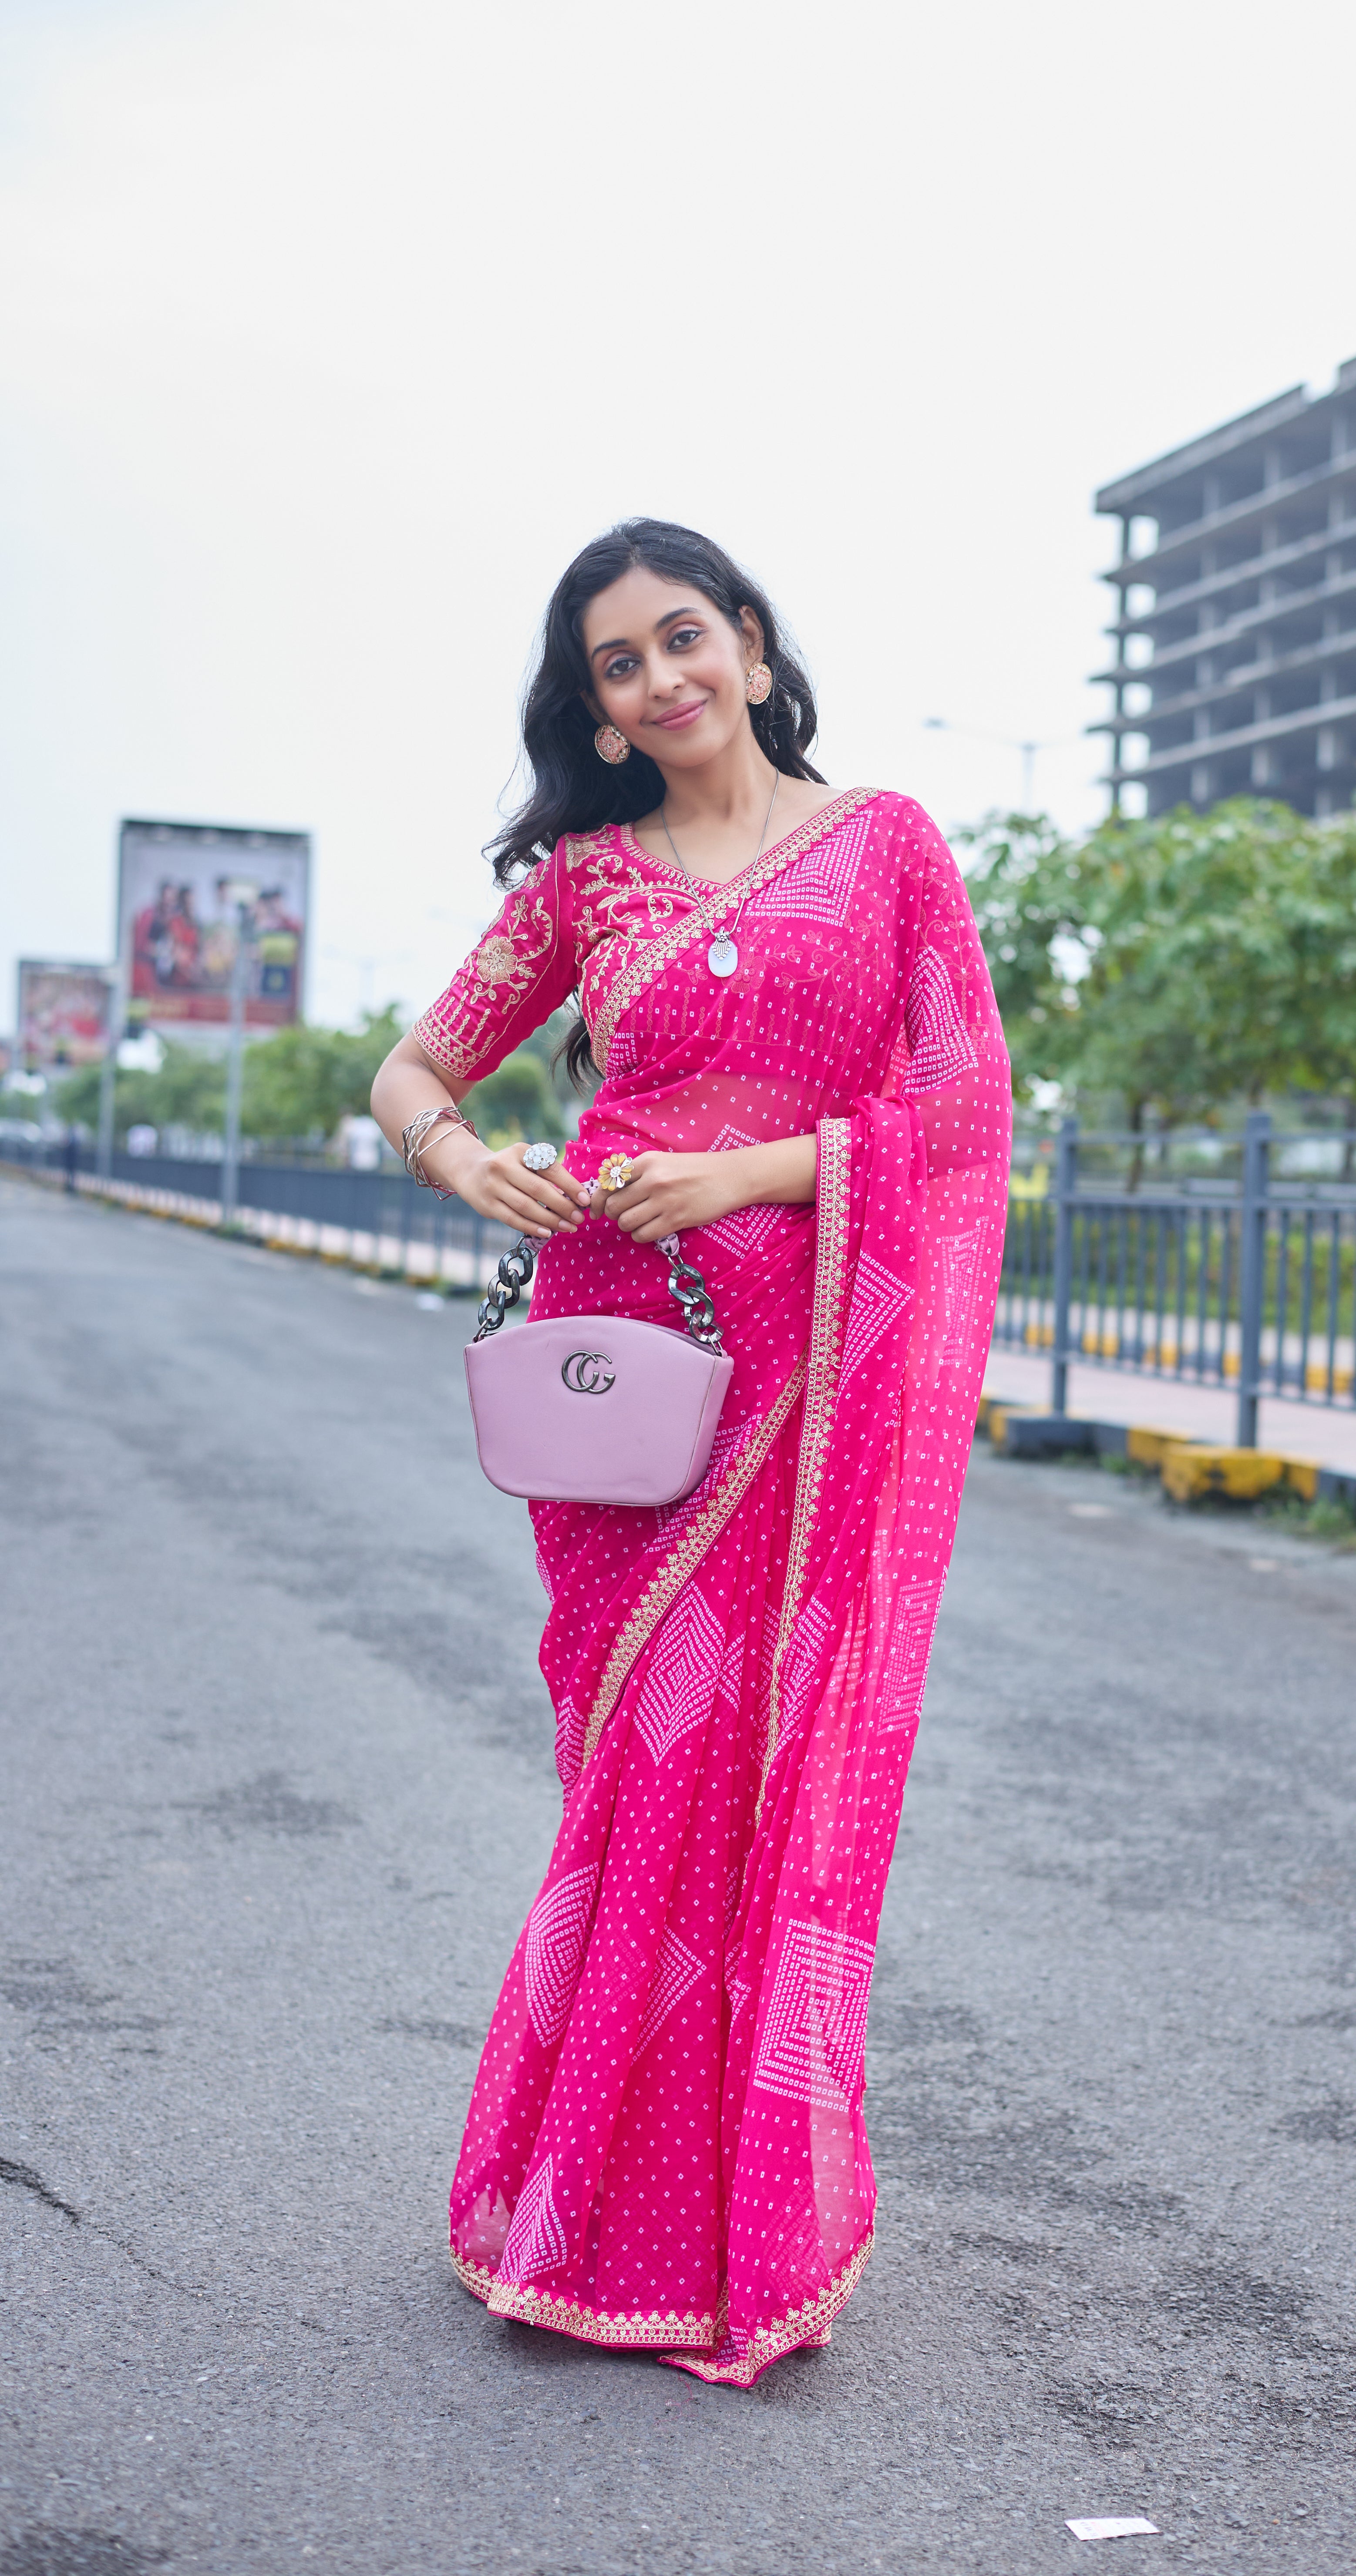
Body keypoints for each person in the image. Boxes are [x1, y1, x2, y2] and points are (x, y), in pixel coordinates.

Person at [371, 519, 1011, 2385]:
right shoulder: (584, 883)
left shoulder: (886, 844)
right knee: (637, 1764)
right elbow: (417, 1068)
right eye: (617, 672)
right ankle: (567, 2204)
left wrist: (751, 1167)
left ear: (745, 634)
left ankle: (733, 2220)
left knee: (760, 1779)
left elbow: (960, 1121)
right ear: (599, 714)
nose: (661, 684)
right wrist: (460, 1156)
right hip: (631, 1376)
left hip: (812, 1372)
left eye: (680, 640)